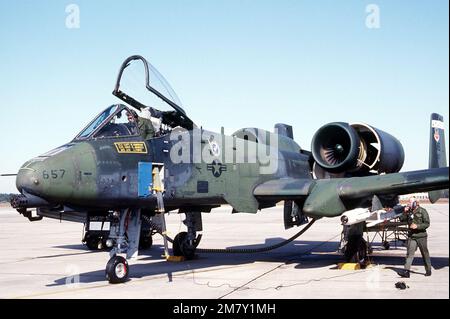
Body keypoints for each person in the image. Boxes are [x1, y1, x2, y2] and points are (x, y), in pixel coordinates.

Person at [399, 196, 432, 278]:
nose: (408, 204)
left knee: (425, 253)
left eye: (410, 202)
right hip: (412, 236)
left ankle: (428, 270)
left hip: (421, 236)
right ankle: (406, 271)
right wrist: (404, 212)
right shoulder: (409, 211)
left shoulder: (422, 211)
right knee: (409, 254)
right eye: (409, 202)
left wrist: (417, 226)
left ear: (416, 203)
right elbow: (401, 219)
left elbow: (427, 223)